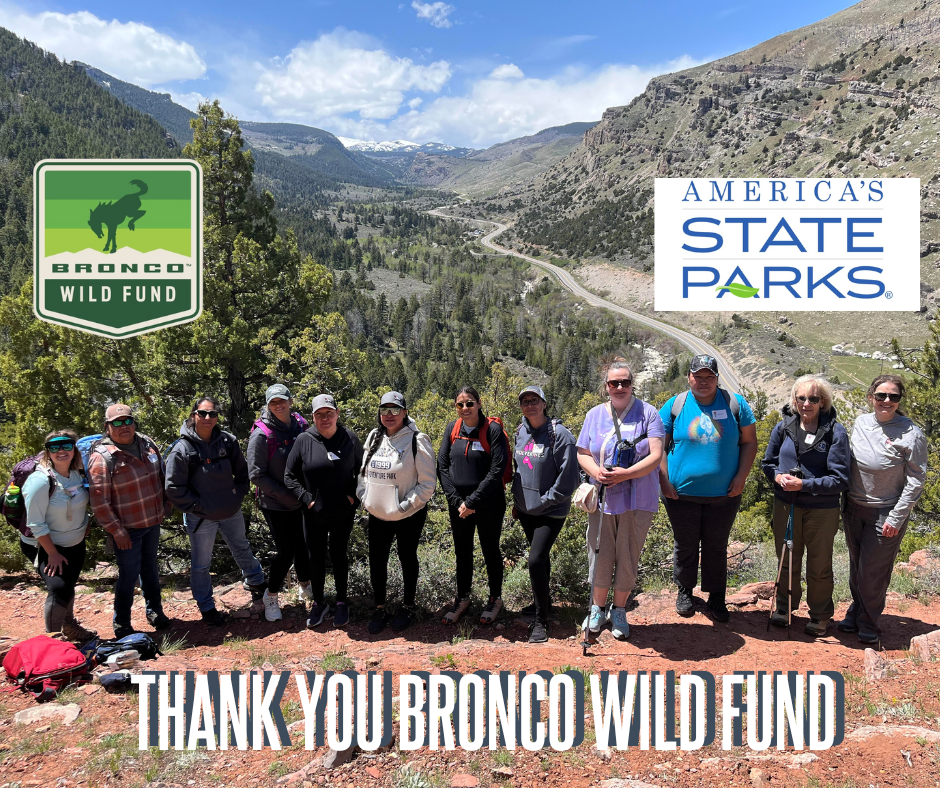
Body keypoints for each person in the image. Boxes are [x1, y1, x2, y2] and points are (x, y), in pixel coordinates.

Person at [659, 354, 757, 622]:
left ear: (717, 378)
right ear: (689, 377)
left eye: (709, 376)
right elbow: (658, 446)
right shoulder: (675, 405)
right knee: (686, 544)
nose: (703, 381)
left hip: (724, 494)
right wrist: (663, 480)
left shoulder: (735, 404)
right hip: (680, 493)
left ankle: (716, 597)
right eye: (698, 376)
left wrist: (742, 477)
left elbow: (750, 442)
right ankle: (685, 591)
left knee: (716, 545)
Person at [577, 360, 665, 640]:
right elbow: (582, 452)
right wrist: (597, 472)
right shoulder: (594, 415)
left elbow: (655, 455)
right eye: (614, 383)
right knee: (600, 552)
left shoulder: (648, 414)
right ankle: (597, 608)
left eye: (624, 382)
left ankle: (619, 610)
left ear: (632, 385)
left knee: (628, 554)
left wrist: (626, 475)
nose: (619, 387)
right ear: (606, 387)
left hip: (638, 497)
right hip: (603, 497)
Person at [840, 375, 927, 645]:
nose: (886, 401)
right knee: (857, 565)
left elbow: (916, 480)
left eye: (893, 397)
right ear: (871, 397)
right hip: (854, 506)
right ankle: (858, 609)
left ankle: (869, 622)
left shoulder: (912, 434)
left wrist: (897, 517)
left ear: (899, 401)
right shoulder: (861, 423)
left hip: (886, 512)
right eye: (881, 396)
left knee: (873, 571)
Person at [165, 396, 266, 627]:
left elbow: (243, 473)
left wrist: (236, 496)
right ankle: (207, 607)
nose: (208, 418)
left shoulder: (227, 442)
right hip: (201, 517)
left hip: (230, 510)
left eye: (212, 413)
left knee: (241, 547)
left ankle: (258, 584)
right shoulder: (182, 449)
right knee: (201, 563)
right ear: (193, 415)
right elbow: (173, 488)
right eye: (203, 413)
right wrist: (198, 507)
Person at [761, 375, 850, 637]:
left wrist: (805, 485)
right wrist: (777, 477)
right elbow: (768, 463)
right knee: (787, 558)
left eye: (813, 399)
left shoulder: (836, 431)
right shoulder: (784, 427)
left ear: (823, 402)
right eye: (801, 398)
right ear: (794, 400)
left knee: (819, 564)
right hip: (786, 504)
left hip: (821, 509)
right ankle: (785, 608)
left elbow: (840, 479)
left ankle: (820, 615)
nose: (806, 404)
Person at [88, 403, 173, 639]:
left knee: (150, 570)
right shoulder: (102, 458)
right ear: (107, 427)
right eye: (117, 422)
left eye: (127, 421)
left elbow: (161, 475)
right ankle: (122, 623)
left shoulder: (147, 444)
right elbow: (99, 502)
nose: (123, 426)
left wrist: (167, 504)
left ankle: (155, 612)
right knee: (128, 575)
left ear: (134, 423)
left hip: (152, 521)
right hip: (127, 529)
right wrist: (117, 531)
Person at [357, 392, 436, 634]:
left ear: (404, 412)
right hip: (378, 513)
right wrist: (364, 498)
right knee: (377, 561)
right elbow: (363, 473)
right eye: (384, 410)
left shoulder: (416, 440)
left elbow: (427, 484)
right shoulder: (374, 436)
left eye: (394, 410)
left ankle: (408, 606)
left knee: (407, 558)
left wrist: (406, 506)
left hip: (408, 514)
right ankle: (380, 607)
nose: (388, 415)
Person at [284, 394, 363, 629]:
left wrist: (351, 498)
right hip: (313, 514)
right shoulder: (304, 440)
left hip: (342, 513)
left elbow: (363, 473)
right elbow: (289, 476)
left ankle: (341, 602)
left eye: (329, 413)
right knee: (315, 558)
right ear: (313, 417)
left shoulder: (350, 439)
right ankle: (319, 602)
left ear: (337, 414)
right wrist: (306, 499)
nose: (325, 418)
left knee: (339, 556)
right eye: (320, 414)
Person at [437, 385, 510, 626]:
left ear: (479, 404)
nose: (465, 408)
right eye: (460, 404)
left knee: (490, 550)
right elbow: (442, 466)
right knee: (462, 552)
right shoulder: (453, 428)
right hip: (459, 506)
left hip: (488, 503)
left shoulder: (493, 430)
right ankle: (463, 598)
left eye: (469, 403)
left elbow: (497, 470)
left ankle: (495, 598)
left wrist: (472, 502)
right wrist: (458, 502)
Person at [512, 386, 579, 643]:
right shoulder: (520, 432)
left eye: (534, 400)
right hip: (527, 510)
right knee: (540, 560)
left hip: (551, 511)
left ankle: (541, 622)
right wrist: (519, 503)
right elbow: (519, 470)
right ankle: (545, 603)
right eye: (525, 401)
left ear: (544, 403)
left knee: (535, 559)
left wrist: (544, 502)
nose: (529, 405)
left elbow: (568, 479)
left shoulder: (560, 435)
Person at [22, 430, 96, 641]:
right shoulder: (40, 481)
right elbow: (35, 523)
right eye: (55, 447)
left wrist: (85, 523)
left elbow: (81, 501)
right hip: (45, 545)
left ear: (74, 449)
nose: (61, 451)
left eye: (66, 445)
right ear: (48, 452)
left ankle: (70, 627)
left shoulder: (76, 474)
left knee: (69, 584)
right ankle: (53, 640)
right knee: (59, 587)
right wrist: (52, 554)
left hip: (75, 542)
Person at [248, 384, 311, 623]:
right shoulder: (262, 435)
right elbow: (255, 474)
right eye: (273, 402)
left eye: (282, 401)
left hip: (300, 498)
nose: (278, 405)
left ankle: (305, 585)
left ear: (290, 401)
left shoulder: (300, 424)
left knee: (304, 545)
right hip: (276, 503)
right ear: (268, 405)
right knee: (286, 551)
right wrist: (287, 494)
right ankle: (271, 595)